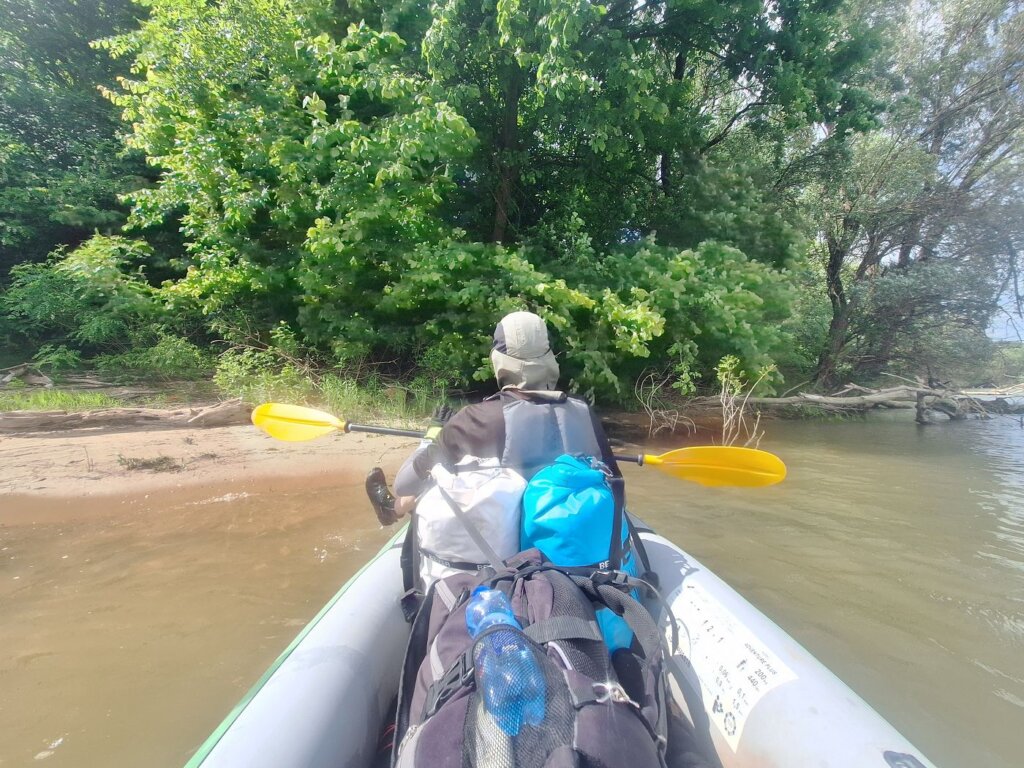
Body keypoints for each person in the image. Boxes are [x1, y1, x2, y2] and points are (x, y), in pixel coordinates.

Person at [365, 310, 614, 525]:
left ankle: (392, 509)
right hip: (568, 538)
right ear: (549, 358)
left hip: (505, 542)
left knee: (439, 474)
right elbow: (612, 479)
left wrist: (433, 435)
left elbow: (403, 485)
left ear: (498, 361)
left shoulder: (475, 419)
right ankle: (392, 509)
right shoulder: (584, 412)